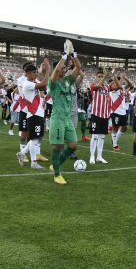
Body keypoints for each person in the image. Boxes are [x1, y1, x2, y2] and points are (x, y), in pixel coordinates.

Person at [47, 53, 83, 185]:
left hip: (67, 118)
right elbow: (56, 70)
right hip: (57, 118)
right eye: (61, 68)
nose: (63, 69)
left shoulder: (68, 80)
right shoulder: (53, 82)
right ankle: (57, 174)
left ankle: (55, 165)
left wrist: (73, 54)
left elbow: (78, 68)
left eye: (64, 68)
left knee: (73, 146)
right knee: (58, 146)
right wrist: (63, 56)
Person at [16, 59, 51, 169]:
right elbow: (44, 83)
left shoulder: (32, 83)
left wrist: (44, 72)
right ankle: (33, 163)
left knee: (35, 138)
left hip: (38, 113)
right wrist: (48, 69)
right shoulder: (26, 84)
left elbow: (44, 86)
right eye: (34, 72)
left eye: (36, 72)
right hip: (34, 113)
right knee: (34, 139)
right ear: (27, 73)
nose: (36, 74)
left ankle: (22, 153)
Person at [89, 68, 112, 164]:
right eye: (99, 77)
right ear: (96, 77)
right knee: (94, 136)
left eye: (102, 76)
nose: (101, 78)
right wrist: (105, 77)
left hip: (105, 115)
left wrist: (112, 75)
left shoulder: (107, 87)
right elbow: (95, 88)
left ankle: (99, 156)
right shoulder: (94, 85)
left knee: (102, 136)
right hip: (96, 114)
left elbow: (118, 87)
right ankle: (92, 156)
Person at [110, 71, 132, 151]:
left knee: (124, 128)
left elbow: (130, 85)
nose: (119, 83)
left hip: (122, 112)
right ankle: (115, 144)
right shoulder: (113, 89)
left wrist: (125, 78)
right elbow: (118, 85)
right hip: (115, 111)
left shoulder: (121, 88)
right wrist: (116, 76)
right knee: (115, 127)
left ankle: (114, 140)